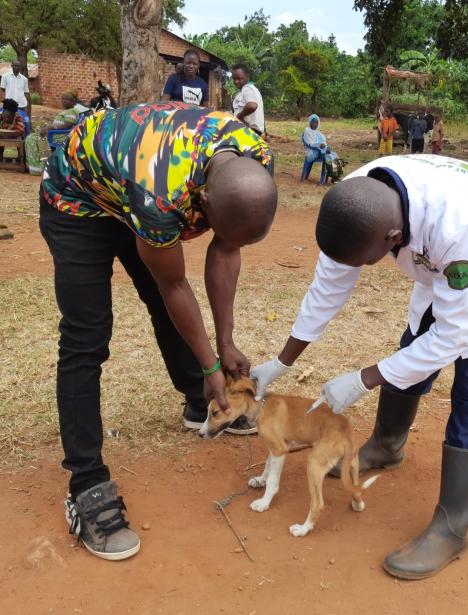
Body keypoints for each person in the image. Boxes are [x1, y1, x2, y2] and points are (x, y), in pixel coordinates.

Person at [250, 154, 468, 579]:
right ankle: (387, 447)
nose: (357, 269)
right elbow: (327, 289)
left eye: (366, 261)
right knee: (416, 340)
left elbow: (455, 335)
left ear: (393, 237)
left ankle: (453, 526)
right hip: (443, 252)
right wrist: (282, 362)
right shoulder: (354, 201)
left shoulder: (456, 226)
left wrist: (363, 379)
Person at [39, 101, 277, 561]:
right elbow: (174, 284)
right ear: (203, 202)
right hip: (78, 199)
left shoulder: (255, 160)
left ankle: (197, 400)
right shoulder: (160, 194)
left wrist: (225, 342)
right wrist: (211, 364)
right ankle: (86, 484)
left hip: (132, 182)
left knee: (161, 303)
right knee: (87, 337)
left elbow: (226, 250)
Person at [231, 63, 265, 137]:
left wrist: (239, 116)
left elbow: (252, 106)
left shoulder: (248, 88)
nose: (236, 81)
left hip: (249, 132)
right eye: (234, 79)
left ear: (247, 77)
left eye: (239, 78)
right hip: (252, 132)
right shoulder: (245, 90)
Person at [301, 114, 329, 185]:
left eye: (316, 122)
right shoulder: (307, 131)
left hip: (318, 151)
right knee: (326, 156)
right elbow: (310, 143)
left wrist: (323, 145)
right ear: (309, 122)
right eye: (313, 122)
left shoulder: (318, 133)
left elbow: (323, 141)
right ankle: (323, 179)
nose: (314, 124)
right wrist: (319, 145)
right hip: (310, 153)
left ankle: (328, 175)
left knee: (327, 153)